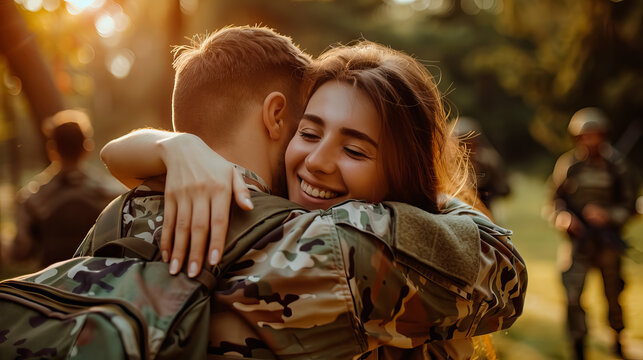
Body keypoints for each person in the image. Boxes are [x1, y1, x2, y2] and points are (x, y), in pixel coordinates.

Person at [90, 27, 526, 358]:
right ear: (277, 116)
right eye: (309, 129)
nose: (316, 161)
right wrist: (421, 194)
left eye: (355, 148)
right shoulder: (339, 245)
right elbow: (503, 272)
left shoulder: (119, 218)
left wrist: (171, 145)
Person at [550, 107, 637, 360]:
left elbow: (631, 206)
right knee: (573, 296)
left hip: (608, 243)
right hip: (578, 243)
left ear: (603, 135)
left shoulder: (618, 166)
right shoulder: (568, 165)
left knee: (613, 294)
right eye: (584, 136)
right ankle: (578, 346)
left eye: (595, 135)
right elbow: (554, 202)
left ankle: (617, 338)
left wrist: (607, 215)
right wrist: (563, 218)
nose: (590, 141)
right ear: (577, 138)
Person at [7, 109, 121, 268]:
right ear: (87, 147)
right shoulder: (112, 195)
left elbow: (21, 251)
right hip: (98, 281)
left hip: (51, 285)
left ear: (51, 149)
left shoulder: (31, 199)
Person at [451, 116, 511, 210]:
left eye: (469, 142)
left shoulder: (488, 161)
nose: (465, 148)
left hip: (485, 216)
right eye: (461, 143)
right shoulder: (446, 167)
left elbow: (505, 190)